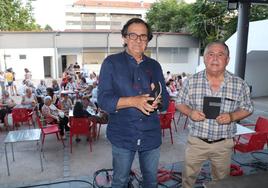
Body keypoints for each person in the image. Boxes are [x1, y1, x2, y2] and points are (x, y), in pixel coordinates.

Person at [98, 18, 169, 188]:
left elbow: (165, 102)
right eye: (133, 35)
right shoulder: (111, 63)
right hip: (123, 134)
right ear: (124, 37)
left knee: (151, 181)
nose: (138, 40)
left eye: (143, 37)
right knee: (120, 180)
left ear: (148, 40)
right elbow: (103, 101)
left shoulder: (155, 66)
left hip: (150, 135)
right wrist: (133, 101)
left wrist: (157, 102)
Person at [176, 41, 254, 188]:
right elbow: (179, 102)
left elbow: (248, 108)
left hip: (223, 144)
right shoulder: (191, 81)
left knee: (221, 182)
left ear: (227, 59)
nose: (215, 58)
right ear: (204, 58)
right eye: (210, 54)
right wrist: (190, 112)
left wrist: (231, 117)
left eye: (220, 54)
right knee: (187, 179)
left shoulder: (239, 84)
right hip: (196, 142)